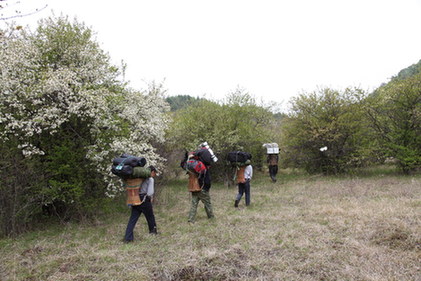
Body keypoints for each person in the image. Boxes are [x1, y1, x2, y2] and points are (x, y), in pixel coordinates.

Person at [124, 166, 158, 242]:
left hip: (135, 198)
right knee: (150, 217)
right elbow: (150, 192)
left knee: (132, 219)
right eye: (154, 173)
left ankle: (128, 238)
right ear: (152, 172)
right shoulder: (150, 179)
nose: (154, 175)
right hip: (144, 199)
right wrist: (150, 198)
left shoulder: (137, 178)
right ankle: (153, 232)